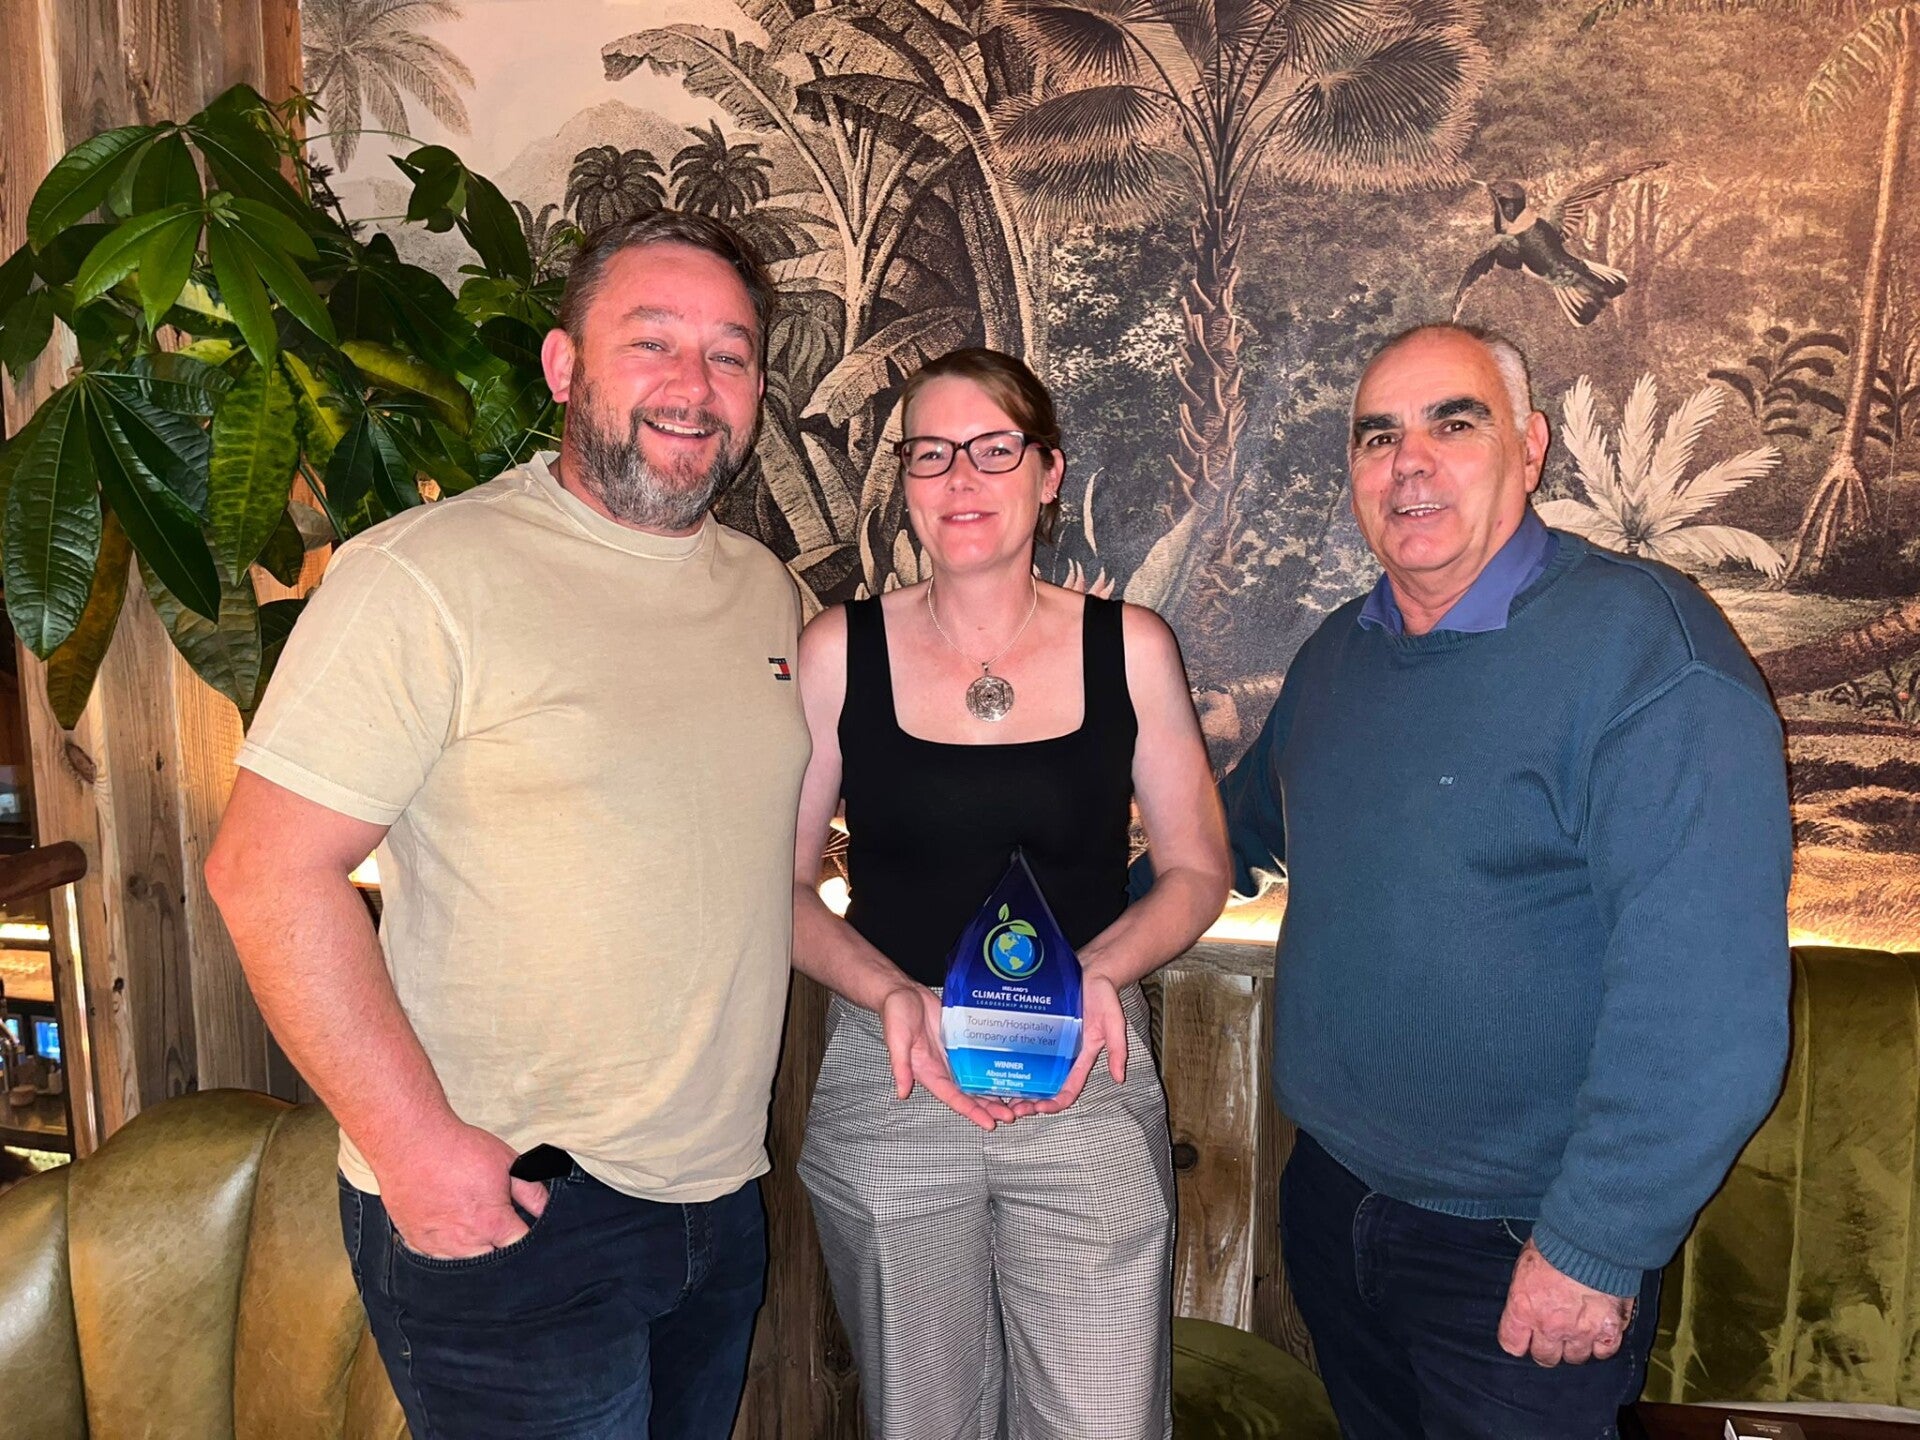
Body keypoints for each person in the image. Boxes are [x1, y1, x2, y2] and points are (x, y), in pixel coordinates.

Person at [204, 211, 810, 1440]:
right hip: (511, 1205)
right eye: (651, 342)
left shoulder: (769, 592)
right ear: (563, 367)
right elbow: (265, 874)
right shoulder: (425, 575)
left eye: (730, 354)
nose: (693, 387)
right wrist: (415, 1149)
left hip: (714, 1203)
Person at [1222, 323, 1792, 1438]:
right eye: (1377, 435)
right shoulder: (1340, 654)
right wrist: (1057, 920)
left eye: (1454, 421)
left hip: (1524, 1252)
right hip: (1333, 1201)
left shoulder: (1652, 657)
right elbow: (1229, 832)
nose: (1410, 460)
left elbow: (1707, 1009)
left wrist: (1594, 1247)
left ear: (1529, 450)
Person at [790, 348, 1229, 1439]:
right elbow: (781, 888)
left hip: (1084, 1056)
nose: (961, 479)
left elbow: (1197, 869)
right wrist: (889, 995)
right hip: (895, 1069)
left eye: (994, 449)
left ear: (1048, 473)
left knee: (1100, 1418)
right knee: (919, 1418)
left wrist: (1099, 978)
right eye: (930, 454)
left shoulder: (1127, 645)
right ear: (904, 481)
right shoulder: (839, 650)